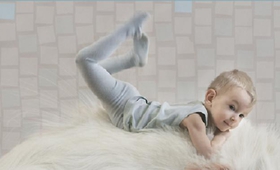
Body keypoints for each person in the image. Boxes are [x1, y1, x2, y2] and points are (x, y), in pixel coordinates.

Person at [75, 12, 256, 159]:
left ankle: (133, 59)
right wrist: (221, 136)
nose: (235, 119)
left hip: (133, 103)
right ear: (210, 98)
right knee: (85, 61)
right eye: (232, 107)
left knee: (97, 71)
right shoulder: (197, 119)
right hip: (125, 108)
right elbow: (208, 153)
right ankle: (127, 31)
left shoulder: (201, 115)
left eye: (241, 115)